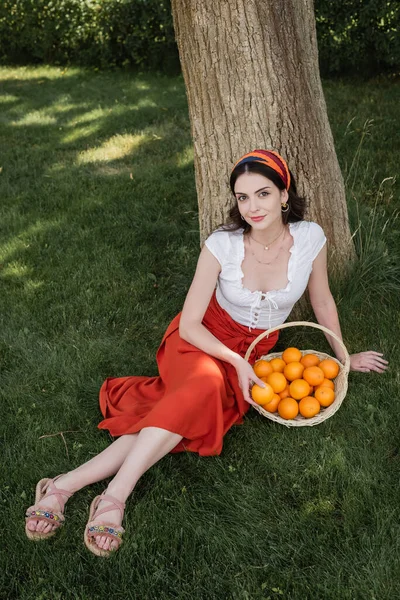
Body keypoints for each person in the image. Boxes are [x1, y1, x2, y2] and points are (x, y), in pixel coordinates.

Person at [25, 149, 388, 557]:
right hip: (199, 339)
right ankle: (113, 498)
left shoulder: (310, 239)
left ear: (285, 195)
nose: (252, 207)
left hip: (253, 350)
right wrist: (234, 363)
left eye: (263, 194)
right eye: (243, 197)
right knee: (202, 389)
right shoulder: (222, 245)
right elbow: (191, 323)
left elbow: (322, 301)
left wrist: (343, 358)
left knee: (177, 410)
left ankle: (62, 486)